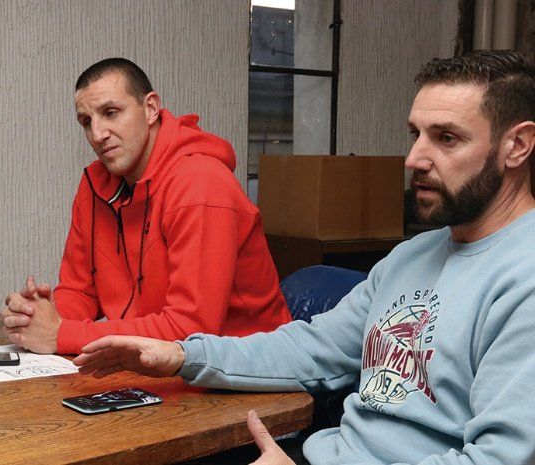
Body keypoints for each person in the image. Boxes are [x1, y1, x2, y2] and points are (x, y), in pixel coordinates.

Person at [72, 50, 535, 465]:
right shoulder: (411, 256)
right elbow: (310, 350)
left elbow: (499, 457)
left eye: (446, 138)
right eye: (415, 134)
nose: (414, 158)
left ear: (516, 146)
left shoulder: (524, 278)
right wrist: (180, 355)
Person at [2, 58, 291, 354]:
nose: (98, 134)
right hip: (157, 362)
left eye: (111, 113)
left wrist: (62, 334)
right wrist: (42, 316)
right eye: (86, 122)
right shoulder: (94, 186)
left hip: (245, 366)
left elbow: (191, 331)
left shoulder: (201, 184)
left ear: (150, 108)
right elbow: (81, 290)